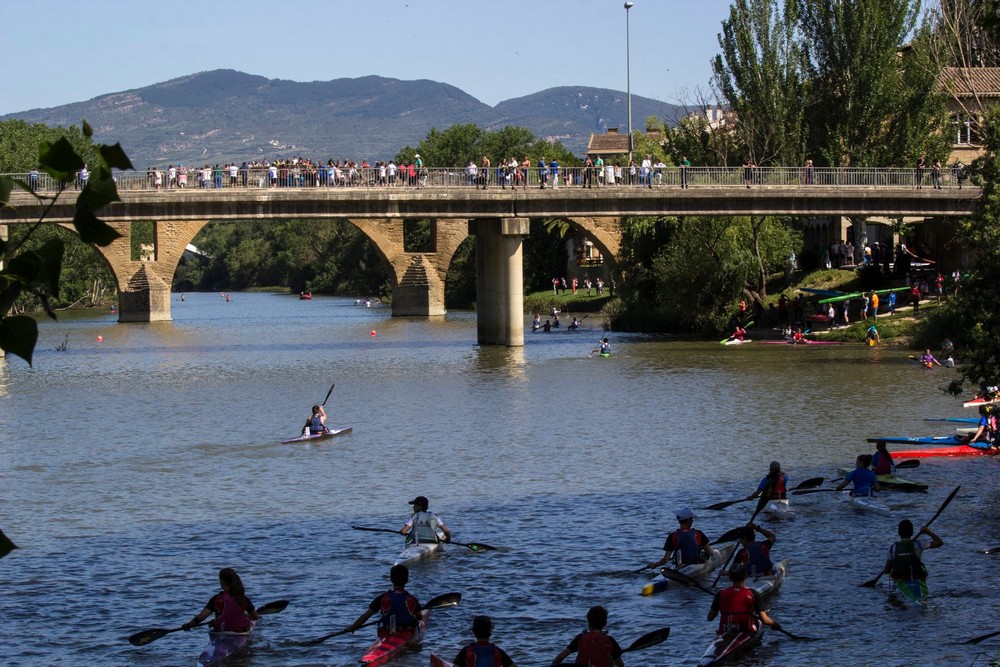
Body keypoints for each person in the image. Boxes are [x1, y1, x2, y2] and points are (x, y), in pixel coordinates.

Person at [345, 564, 423, 636]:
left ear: (391, 579)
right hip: (406, 632)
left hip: (387, 632)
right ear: (407, 580)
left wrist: (353, 627)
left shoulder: (382, 598)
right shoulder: (412, 599)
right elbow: (419, 617)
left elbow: (365, 616)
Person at [707, 564, 780, 636]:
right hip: (746, 630)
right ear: (746, 576)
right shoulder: (753, 593)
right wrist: (775, 624)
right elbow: (765, 620)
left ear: (730, 577)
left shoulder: (720, 593)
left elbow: (710, 618)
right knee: (758, 619)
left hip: (725, 630)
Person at [182, 568, 258, 633]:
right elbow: (255, 616)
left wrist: (188, 625)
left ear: (222, 581)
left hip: (221, 631)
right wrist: (246, 616)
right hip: (241, 631)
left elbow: (200, 618)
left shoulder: (216, 599)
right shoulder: (243, 598)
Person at [883, 519, 943, 601]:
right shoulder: (919, 544)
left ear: (899, 533)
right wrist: (927, 531)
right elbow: (939, 542)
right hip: (917, 577)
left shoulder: (892, 548)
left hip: (900, 579)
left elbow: (886, 571)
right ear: (911, 533)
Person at [551, 605, 623, 667]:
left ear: (588, 622)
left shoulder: (580, 638)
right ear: (605, 623)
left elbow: (561, 657)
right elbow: (620, 665)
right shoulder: (610, 640)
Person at [646, 508, 716, 569]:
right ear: (688, 520)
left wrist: (655, 565)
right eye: (691, 519)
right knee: (707, 553)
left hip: (680, 565)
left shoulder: (672, 536)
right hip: (696, 564)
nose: (692, 520)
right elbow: (711, 553)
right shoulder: (698, 533)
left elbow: (666, 559)